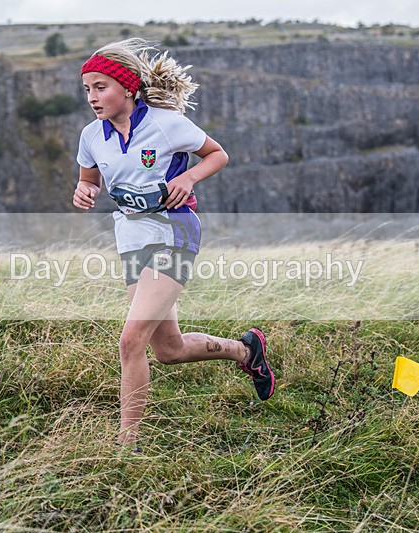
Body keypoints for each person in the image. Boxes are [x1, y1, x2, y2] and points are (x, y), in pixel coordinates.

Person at [72, 39, 275, 449]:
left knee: (131, 340)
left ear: (128, 88)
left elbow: (217, 154)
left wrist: (189, 178)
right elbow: (88, 178)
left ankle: (126, 446)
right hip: (131, 237)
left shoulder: (166, 123)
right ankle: (245, 351)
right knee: (168, 349)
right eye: (88, 89)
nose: (92, 97)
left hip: (174, 231)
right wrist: (84, 190)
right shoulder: (92, 135)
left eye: (101, 87)